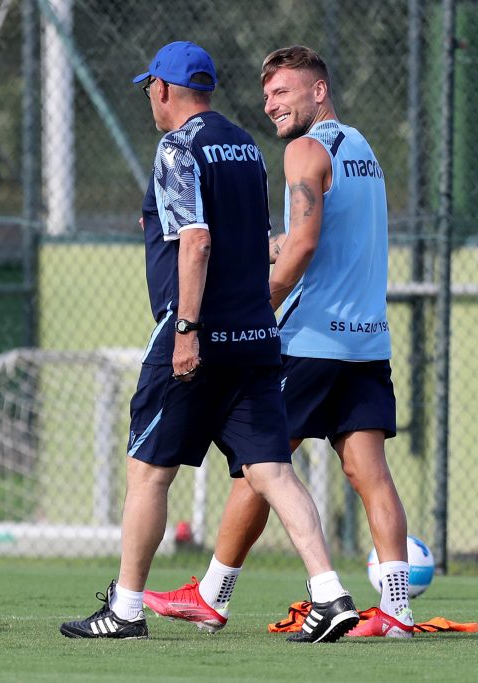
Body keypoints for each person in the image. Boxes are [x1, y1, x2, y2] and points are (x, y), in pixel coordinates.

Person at [58, 41, 359, 644]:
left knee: (148, 472)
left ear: (165, 90)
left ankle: (125, 609)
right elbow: (262, 237)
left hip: (195, 338)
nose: (150, 98)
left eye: (151, 89)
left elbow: (195, 242)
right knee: (274, 469)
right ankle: (331, 595)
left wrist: (187, 330)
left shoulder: (177, 147)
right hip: (254, 335)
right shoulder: (247, 145)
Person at [143, 45, 412, 639]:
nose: (271, 106)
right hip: (367, 339)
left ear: (319, 91)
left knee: (261, 467)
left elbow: (305, 244)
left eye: (283, 92)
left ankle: (213, 595)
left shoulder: (302, 150)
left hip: (311, 338)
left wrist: (258, 303)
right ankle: (397, 611)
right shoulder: (362, 149)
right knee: (370, 472)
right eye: (267, 96)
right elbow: (323, 236)